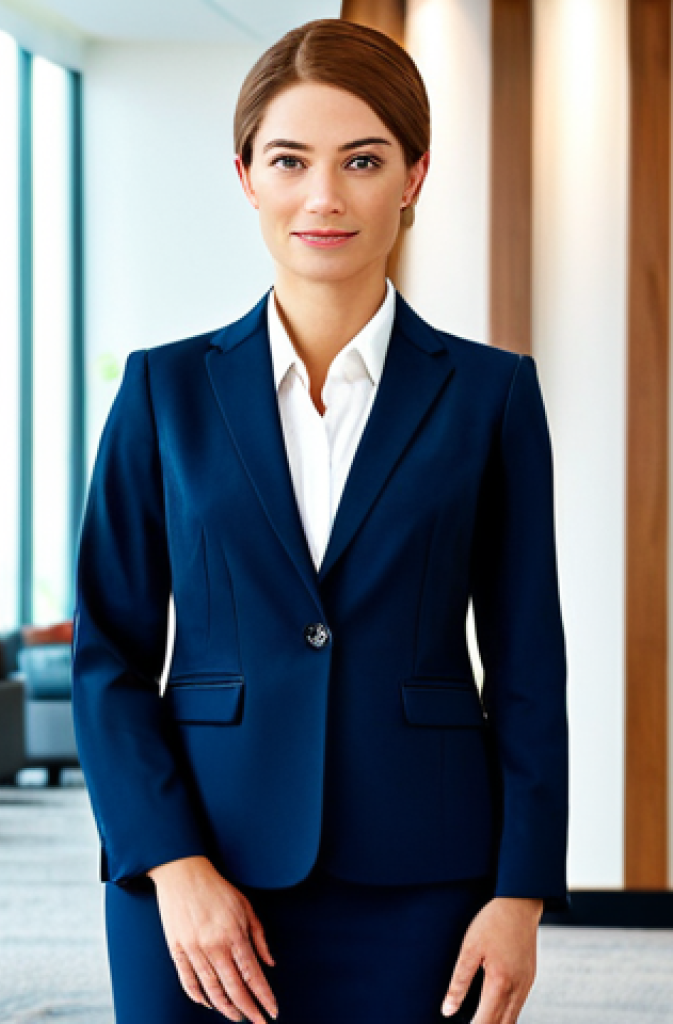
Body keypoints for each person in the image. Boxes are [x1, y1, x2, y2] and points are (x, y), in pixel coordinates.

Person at [71, 18, 569, 1024]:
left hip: (424, 877)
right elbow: (107, 656)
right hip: (198, 874)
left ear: (413, 176)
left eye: (362, 160)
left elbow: (526, 666)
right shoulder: (162, 391)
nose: (324, 196)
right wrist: (170, 862)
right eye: (289, 160)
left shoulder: (490, 396)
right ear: (246, 175)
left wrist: (519, 894)